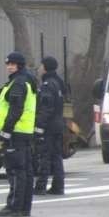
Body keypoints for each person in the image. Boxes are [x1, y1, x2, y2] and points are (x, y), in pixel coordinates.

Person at [0, 51, 37, 217]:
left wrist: (5, 132)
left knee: (15, 171)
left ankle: (14, 206)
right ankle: (24, 207)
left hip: (15, 132)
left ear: (20, 65)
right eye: (8, 64)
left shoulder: (18, 83)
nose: (10, 67)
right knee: (25, 170)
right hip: (24, 131)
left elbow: (15, 109)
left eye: (13, 64)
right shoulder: (27, 81)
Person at [34, 56, 66, 195]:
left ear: (45, 67)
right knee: (56, 156)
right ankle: (58, 186)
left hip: (49, 126)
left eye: (41, 66)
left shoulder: (47, 85)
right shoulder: (59, 83)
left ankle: (41, 186)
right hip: (58, 124)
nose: (39, 69)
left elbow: (46, 108)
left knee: (44, 156)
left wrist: (39, 126)